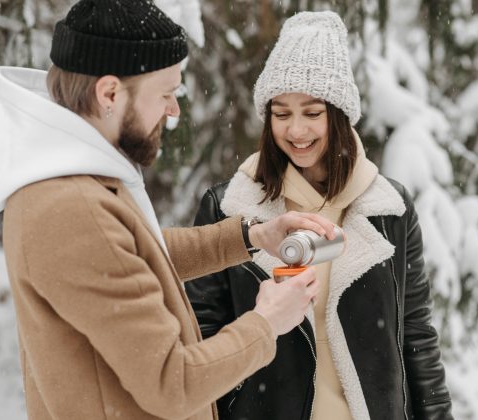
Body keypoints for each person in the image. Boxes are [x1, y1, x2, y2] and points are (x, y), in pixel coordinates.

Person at [0, 1, 338, 419]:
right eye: (166, 93)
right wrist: (268, 320)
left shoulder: (67, 178)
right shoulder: (72, 206)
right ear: (109, 93)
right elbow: (174, 383)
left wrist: (252, 237)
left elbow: (129, 257)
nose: (174, 111)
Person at [185, 10, 454, 420]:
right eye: (281, 114)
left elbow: (415, 334)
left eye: (312, 113)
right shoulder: (229, 208)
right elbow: (201, 335)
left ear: (339, 115)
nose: (296, 131)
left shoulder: (389, 208)